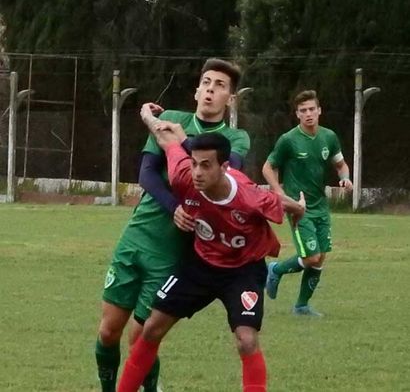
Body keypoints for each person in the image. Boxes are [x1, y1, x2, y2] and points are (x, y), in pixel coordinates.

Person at [117, 105, 305, 392]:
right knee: (152, 327)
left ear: (225, 167)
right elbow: (165, 138)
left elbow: (284, 205)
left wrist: (300, 208)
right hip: (200, 264)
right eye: (194, 163)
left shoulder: (250, 198)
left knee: (247, 340)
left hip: (243, 269)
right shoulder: (184, 175)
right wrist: (145, 115)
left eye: (206, 165)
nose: (197, 172)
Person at [95, 58, 251, 392]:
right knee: (108, 332)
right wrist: (174, 205)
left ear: (231, 99)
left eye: (220, 85)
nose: (211, 89)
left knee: (142, 336)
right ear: (197, 90)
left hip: (172, 252)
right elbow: (147, 174)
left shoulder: (235, 139)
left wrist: (164, 130)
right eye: (206, 82)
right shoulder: (173, 119)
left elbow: (220, 175)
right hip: (137, 235)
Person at [262, 89, 353, 316]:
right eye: (303, 110)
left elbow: (340, 164)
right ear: (298, 114)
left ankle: (301, 306)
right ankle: (276, 269)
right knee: (310, 257)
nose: (309, 113)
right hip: (299, 209)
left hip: (321, 206)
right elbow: (267, 167)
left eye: (312, 109)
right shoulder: (288, 140)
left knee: (320, 257)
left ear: (319, 111)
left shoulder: (328, 137)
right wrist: (279, 193)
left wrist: (345, 178)